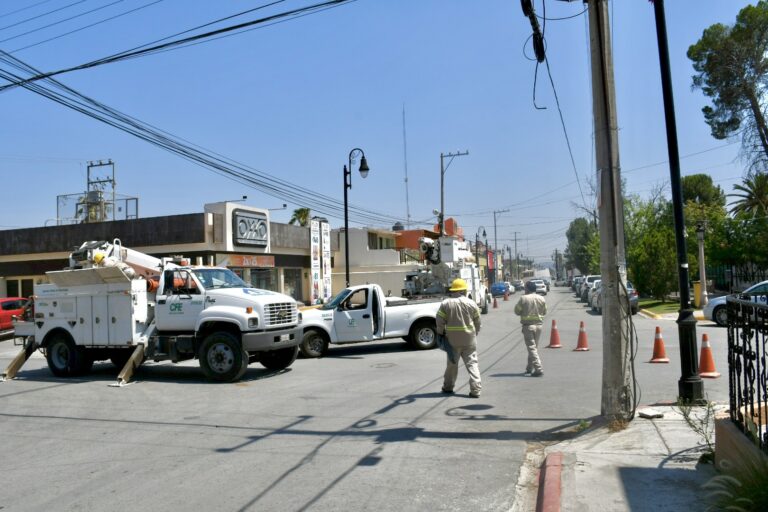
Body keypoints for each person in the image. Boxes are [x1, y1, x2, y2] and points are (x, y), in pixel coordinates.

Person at [436, 278, 483, 398]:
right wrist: (475, 333)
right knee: (472, 364)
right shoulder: (472, 303)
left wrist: (440, 333)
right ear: (464, 290)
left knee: (452, 365)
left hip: (452, 341)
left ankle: (448, 387)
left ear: (454, 291)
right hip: (469, 340)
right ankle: (476, 390)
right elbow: (478, 322)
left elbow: (440, 321)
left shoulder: (446, 304)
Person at [514, 280, 547, 377]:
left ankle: (538, 368)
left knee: (532, 348)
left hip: (528, 327)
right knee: (533, 348)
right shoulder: (542, 298)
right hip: (539, 326)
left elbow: (517, 311)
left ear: (527, 289)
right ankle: (529, 368)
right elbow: (544, 311)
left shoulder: (523, 298)